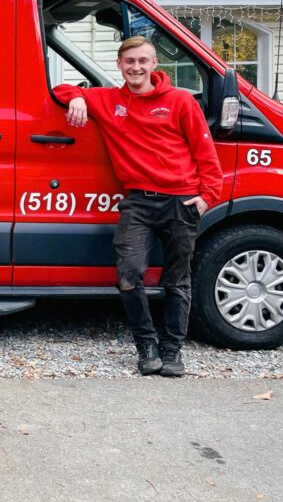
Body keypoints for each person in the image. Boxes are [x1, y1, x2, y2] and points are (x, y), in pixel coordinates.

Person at [53, 36, 223, 377]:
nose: (136, 67)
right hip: (138, 202)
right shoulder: (109, 100)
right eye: (129, 61)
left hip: (181, 200)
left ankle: (172, 351)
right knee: (129, 273)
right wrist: (78, 99)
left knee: (177, 281)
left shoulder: (180, 102)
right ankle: (146, 346)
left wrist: (207, 197)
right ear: (119, 65)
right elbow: (60, 88)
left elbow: (205, 152)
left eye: (143, 61)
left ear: (154, 64)